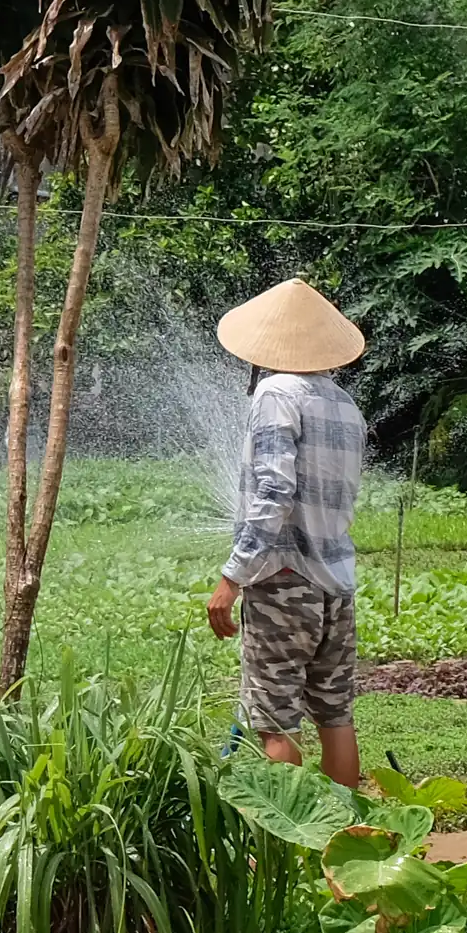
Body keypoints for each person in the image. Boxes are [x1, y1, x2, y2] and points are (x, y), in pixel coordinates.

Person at [204, 278, 367, 788]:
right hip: (336, 584)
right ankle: (347, 847)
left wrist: (233, 575)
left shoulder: (276, 394)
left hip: (284, 579)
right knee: (335, 716)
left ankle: (284, 854)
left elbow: (274, 491)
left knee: (275, 721)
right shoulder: (344, 403)